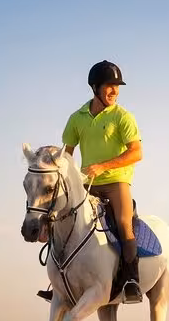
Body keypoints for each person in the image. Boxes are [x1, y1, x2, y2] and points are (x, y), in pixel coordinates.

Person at [37, 60, 144, 304]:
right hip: (86, 183)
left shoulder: (122, 117)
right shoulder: (77, 118)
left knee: (125, 224)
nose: (115, 91)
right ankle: (58, 282)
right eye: (110, 86)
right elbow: (67, 154)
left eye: (118, 87)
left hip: (117, 182)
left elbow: (137, 152)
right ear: (95, 87)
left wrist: (103, 166)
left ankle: (131, 281)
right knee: (61, 216)